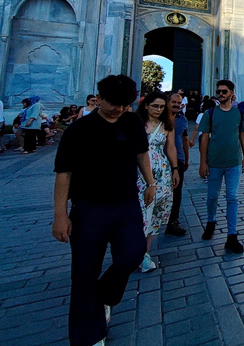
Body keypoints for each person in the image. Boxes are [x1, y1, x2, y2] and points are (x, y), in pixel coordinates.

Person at [52, 75, 155, 346]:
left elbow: (141, 153)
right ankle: (89, 336)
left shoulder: (132, 121)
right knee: (84, 274)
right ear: (99, 98)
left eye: (125, 104)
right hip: (89, 210)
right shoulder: (80, 129)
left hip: (126, 205)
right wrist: (60, 215)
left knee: (133, 255)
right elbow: (64, 173)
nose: (119, 109)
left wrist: (150, 182)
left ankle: (104, 296)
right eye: (114, 104)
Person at [198, 79, 244, 254]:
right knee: (212, 196)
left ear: (232, 93)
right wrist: (202, 162)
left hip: (233, 162)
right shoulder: (210, 113)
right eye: (218, 91)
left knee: (232, 197)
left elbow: (242, 134)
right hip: (214, 163)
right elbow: (204, 138)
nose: (220, 94)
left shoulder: (239, 113)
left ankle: (232, 236)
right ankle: (211, 222)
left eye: (224, 91)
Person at [136, 91, 178, 272]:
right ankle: (132, 250)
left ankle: (144, 253)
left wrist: (176, 169)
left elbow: (171, 148)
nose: (159, 109)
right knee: (139, 211)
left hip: (162, 174)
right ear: (146, 105)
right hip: (138, 173)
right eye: (155, 106)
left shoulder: (167, 124)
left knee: (156, 212)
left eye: (162, 106)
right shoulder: (136, 123)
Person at [165, 93, 189, 237]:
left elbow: (185, 139)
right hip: (160, 161)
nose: (176, 104)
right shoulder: (159, 119)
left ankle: (173, 221)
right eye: (173, 102)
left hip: (178, 160)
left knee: (177, 192)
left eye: (178, 102)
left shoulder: (182, 120)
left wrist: (186, 159)